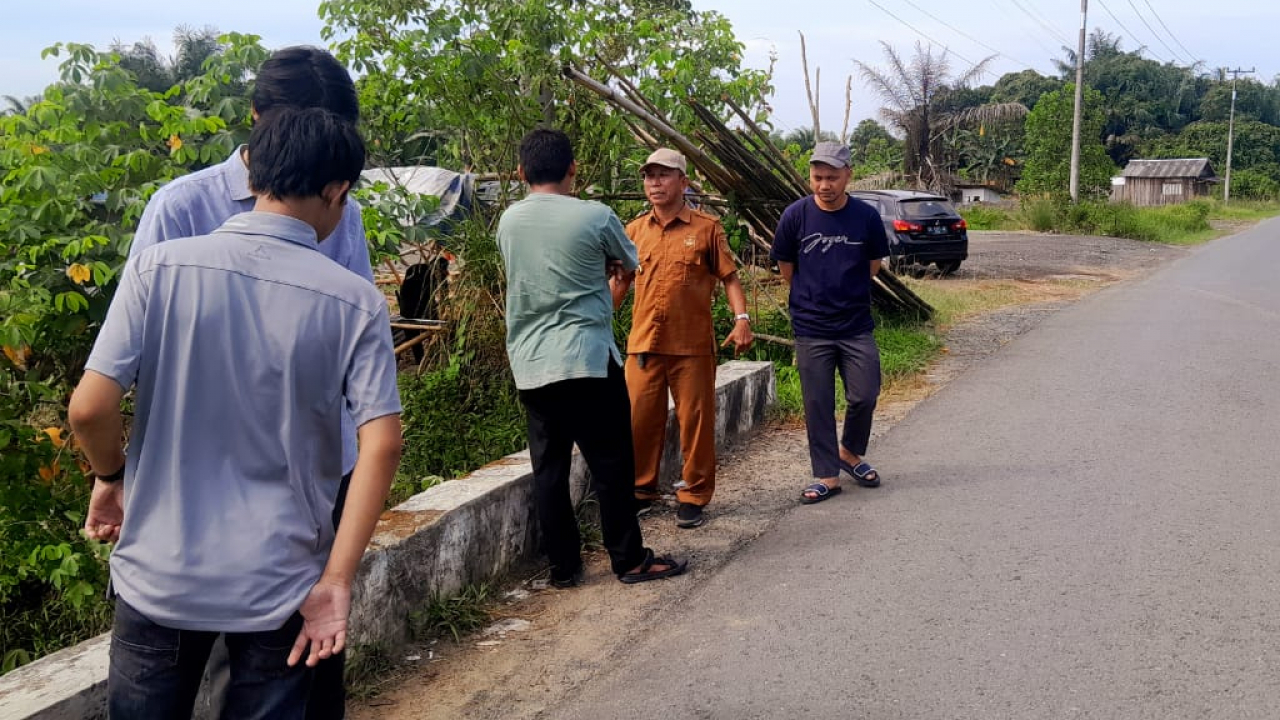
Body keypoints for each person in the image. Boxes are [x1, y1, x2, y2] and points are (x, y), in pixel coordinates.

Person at [69, 106, 402, 719]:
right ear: (337, 191)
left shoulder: (157, 267)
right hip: (281, 585)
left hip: (157, 575)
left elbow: (89, 408)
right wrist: (335, 582)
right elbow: (381, 444)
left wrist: (110, 478)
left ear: (256, 178)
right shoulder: (355, 303)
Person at [129, 46, 370, 719]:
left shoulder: (339, 209)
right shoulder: (181, 208)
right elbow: (136, 355)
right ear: (257, 118)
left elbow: (353, 339)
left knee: (305, 673)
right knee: (170, 657)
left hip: (311, 478)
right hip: (195, 481)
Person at [496, 127, 688, 586]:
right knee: (611, 465)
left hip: (532, 364)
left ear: (521, 172)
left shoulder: (508, 221)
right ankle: (629, 559)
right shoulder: (595, 216)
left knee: (549, 470)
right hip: (587, 359)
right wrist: (608, 279)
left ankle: (564, 568)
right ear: (572, 170)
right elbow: (631, 261)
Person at [615, 148, 753, 529]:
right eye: (649, 176)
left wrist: (741, 319)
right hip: (643, 345)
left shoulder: (706, 229)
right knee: (639, 421)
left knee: (695, 422)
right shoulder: (633, 231)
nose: (655, 183)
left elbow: (730, 279)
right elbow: (620, 284)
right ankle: (642, 490)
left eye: (663, 175)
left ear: (683, 182)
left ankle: (694, 494)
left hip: (691, 347)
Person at [769, 141, 890, 504]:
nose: (824, 185)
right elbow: (786, 268)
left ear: (848, 176)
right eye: (818, 177)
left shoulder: (865, 217)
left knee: (865, 393)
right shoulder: (795, 216)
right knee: (818, 402)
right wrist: (813, 298)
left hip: (855, 324)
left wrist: (846, 292)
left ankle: (849, 452)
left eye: (832, 177)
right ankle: (826, 474)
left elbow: (873, 265)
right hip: (811, 327)